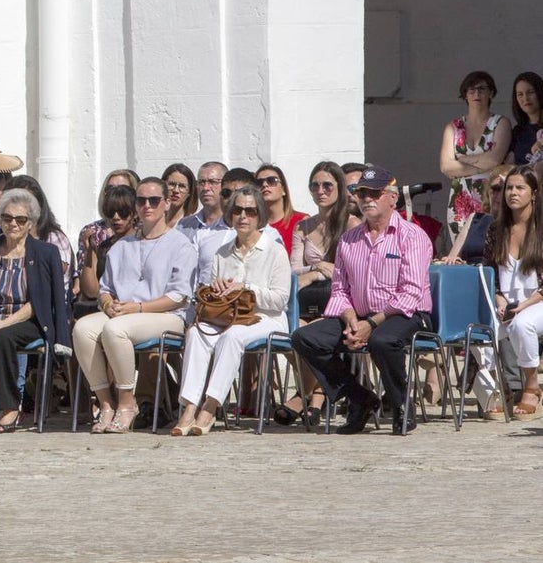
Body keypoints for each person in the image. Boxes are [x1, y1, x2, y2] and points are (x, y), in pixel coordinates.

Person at [291, 165, 433, 434]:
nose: (367, 199)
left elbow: (411, 292)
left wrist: (371, 323)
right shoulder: (349, 240)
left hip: (404, 314)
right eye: (361, 193)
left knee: (382, 340)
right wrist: (350, 319)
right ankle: (359, 398)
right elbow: (340, 289)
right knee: (305, 337)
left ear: (392, 197)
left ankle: (401, 404)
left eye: (375, 193)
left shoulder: (412, 235)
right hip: (359, 315)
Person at [73, 177, 197, 433]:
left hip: (167, 315)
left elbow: (179, 296)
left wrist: (137, 308)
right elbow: (105, 289)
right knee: (82, 329)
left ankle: (127, 403)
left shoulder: (180, 244)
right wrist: (107, 304)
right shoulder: (122, 246)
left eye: (154, 200)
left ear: (166, 203)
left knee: (115, 330)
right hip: (123, 313)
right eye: (141, 201)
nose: (147, 206)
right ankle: (106, 403)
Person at [171, 186, 291, 435]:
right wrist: (216, 289)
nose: (243, 216)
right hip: (228, 316)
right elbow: (214, 298)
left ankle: (209, 407)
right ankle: (189, 407)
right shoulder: (222, 252)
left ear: (260, 215)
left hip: (266, 318)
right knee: (197, 333)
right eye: (237, 210)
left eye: (250, 211)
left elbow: (280, 300)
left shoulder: (274, 250)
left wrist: (245, 289)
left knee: (232, 336)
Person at [0, 188, 70, 432]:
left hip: (28, 319)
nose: (13, 224)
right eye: (7, 218)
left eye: (20, 219)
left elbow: (39, 302)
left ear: (31, 223)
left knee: (3, 338)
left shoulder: (45, 253)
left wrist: (2, 324)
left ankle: (9, 407)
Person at [275, 161, 355, 425]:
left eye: (327, 185)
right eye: (315, 186)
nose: (321, 191)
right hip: (308, 302)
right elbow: (294, 270)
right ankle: (314, 394)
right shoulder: (304, 226)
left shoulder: (352, 224)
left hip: (342, 304)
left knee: (310, 335)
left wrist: (313, 274)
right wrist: (318, 268)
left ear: (339, 188)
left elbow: (352, 272)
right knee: (292, 330)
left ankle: (309, 397)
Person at [485, 166, 543, 419]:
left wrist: (525, 304)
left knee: (522, 325)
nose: (512, 193)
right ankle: (498, 389)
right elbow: (489, 271)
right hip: (505, 302)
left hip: (537, 300)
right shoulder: (495, 230)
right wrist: (499, 298)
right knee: (479, 329)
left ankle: (531, 386)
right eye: (509, 188)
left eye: (520, 188)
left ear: (534, 193)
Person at [440, 70, 511, 236]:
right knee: (460, 247)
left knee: (491, 243)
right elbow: (445, 166)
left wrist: (463, 161)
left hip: (491, 195)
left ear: (491, 93)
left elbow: (495, 159)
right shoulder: (453, 127)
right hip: (460, 197)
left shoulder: (500, 123)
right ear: (465, 95)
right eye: (471, 90)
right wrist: (481, 166)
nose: (476, 94)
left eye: (482, 89)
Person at [75, 169, 140, 280]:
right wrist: (91, 252)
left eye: (122, 189)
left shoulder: (144, 232)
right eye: (110, 189)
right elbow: (86, 281)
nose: (115, 193)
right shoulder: (92, 231)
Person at [77, 185, 137, 304]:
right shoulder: (104, 247)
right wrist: (90, 252)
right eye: (110, 212)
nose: (116, 217)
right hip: (107, 306)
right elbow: (91, 292)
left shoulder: (142, 244)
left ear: (134, 213)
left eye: (123, 212)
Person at [176, 161, 229, 256]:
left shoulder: (232, 226)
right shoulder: (184, 225)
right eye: (201, 182)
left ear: (226, 185)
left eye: (213, 182)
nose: (205, 188)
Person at [255, 163, 308, 257]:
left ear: (283, 190)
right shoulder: (253, 226)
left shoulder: (302, 221)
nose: (264, 184)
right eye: (259, 183)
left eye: (271, 180)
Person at [508, 71, 543, 165]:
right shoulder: (517, 132)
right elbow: (509, 164)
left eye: (530, 92)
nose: (525, 98)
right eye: (520, 94)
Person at [162, 163, 197, 227]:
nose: (176, 190)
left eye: (182, 186)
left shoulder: (192, 225)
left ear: (189, 192)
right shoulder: (152, 220)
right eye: (172, 184)